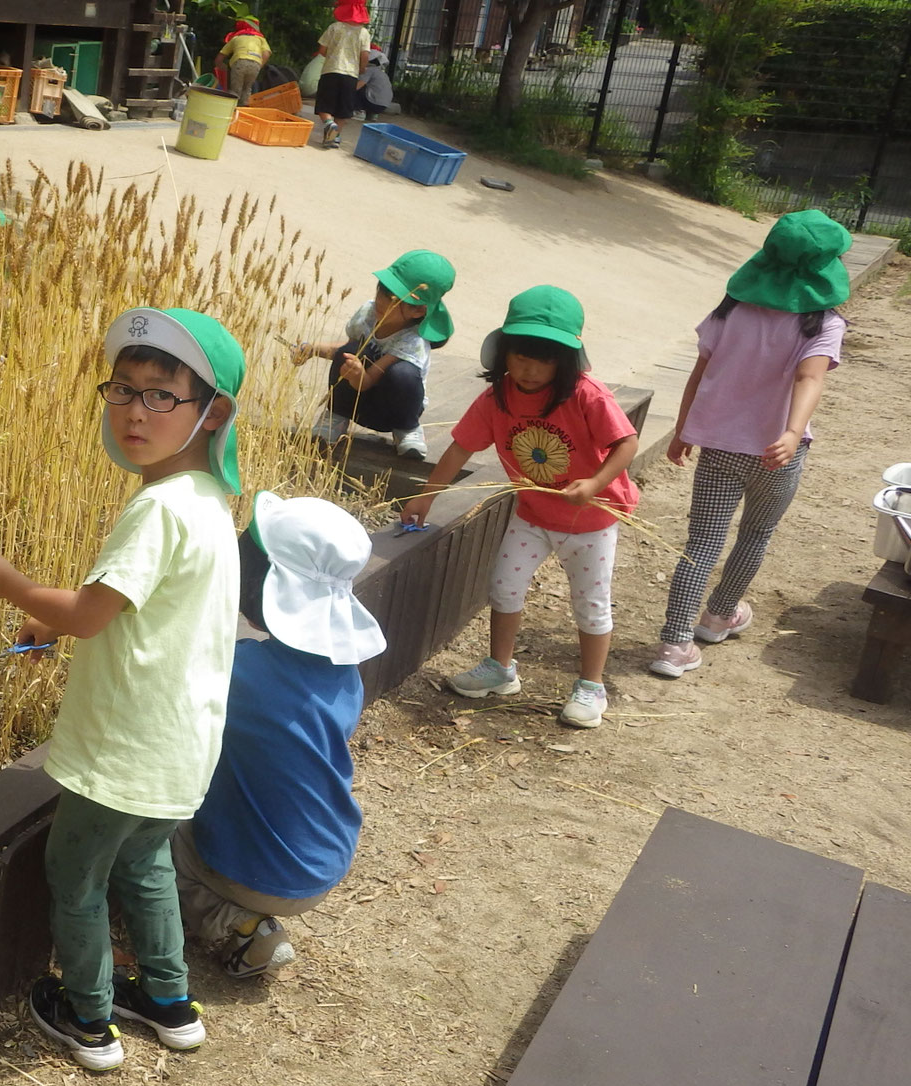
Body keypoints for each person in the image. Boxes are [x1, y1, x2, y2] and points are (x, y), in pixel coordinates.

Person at [0, 307, 243, 1072]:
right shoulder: (209, 503)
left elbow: (93, 614)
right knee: (144, 864)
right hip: (180, 749)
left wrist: (13, 587)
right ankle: (168, 1000)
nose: (135, 411)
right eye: (122, 388)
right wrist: (51, 625)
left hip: (122, 751)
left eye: (163, 395)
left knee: (76, 875)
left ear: (211, 412)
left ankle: (89, 1017)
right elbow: (140, 611)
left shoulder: (156, 509)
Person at [400, 287, 640, 729]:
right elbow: (459, 450)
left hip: (591, 521)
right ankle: (500, 668)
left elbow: (626, 442)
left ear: (566, 361)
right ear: (503, 353)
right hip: (532, 515)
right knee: (504, 587)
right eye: (520, 357)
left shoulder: (587, 395)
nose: (528, 370)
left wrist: (595, 483)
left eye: (543, 360)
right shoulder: (498, 398)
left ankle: (591, 686)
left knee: (591, 603)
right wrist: (427, 495)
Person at [173, 492, 385, 979]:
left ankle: (238, 924)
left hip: (264, 878)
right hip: (328, 856)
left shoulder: (239, 674)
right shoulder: (343, 672)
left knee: (153, 839)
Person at [650, 211, 850, 678]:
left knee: (701, 543)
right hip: (777, 455)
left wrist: (683, 429)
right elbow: (810, 377)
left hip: (719, 448)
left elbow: (699, 373)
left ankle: (674, 643)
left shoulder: (732, 309)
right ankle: (720, 615)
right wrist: (791, 431)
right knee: (756, 534)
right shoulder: (821, 322)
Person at [294, 249, 456, 461]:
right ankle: (336, 416)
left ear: (418, 311)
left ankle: (407, 429)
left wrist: (357, 374)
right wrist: (312, 349)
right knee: (349, 351)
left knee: (403, 373)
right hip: (357, 403)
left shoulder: (412, 341)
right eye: (382, 291)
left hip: (390, 411)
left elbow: (367, 381)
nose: (382, 301)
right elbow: (346, 348)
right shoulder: (367, 313)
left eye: (394, 299)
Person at [314, 0, 372, 149]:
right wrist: (361, 68)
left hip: (330, 72)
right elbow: (365, 55)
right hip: (351, 76)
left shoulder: (334, 27)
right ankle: (335, 135)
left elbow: (322, 50)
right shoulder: (364, 33)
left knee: (324, 106)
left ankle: (328, 123)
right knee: (343, 110)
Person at [213, 18, 271, 104]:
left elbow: (219, 58)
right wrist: (259, 65)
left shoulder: (236, 38)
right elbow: (266, 54)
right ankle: (243, 109)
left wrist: (222, 67)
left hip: (239, 62)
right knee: (247, 89)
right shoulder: (260, 39)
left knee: (235, 91)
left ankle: (231, 110)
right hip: (256, 64)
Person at [357, 47, 393, 121]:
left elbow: (359, 85)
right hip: (384, 105)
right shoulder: (382, 73)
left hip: (372, 103)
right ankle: (373, 114)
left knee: (355, 86)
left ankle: (359, 111)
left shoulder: (369, 70)